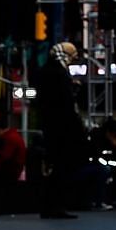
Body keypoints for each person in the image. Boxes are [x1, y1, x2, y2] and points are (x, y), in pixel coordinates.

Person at [34, 41, 86, 220]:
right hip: (61, 130)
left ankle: (51, 205)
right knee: (61, 167)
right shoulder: (58, 74)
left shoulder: (46, 72)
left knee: (55, 168)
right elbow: (63, 103)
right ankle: (56, 205)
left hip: (52, 127)